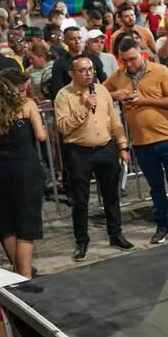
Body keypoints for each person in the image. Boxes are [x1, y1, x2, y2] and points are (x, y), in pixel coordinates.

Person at [105, 38, 168, 244]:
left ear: (142, 54)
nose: (128, 64)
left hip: (166, 138)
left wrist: (143, 100)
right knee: (155, 186)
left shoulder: (160, 71)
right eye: (124, 60)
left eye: (132, 59)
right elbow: (101, 93)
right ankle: (162, 225)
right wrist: (114, 94)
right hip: (141, 142)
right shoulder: (119, 75)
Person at [54, 54, 133, 261]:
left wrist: (123, 145)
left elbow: (114, 120)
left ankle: (116, 235)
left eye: (90, 69)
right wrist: (84, 107)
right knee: (80, 201)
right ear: (72, 73)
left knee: (111, 196)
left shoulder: (102, 90)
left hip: (106, 148)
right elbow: (63, 126)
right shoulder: (64, 95)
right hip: (78, 151)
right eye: (83, 70)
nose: (88, 73)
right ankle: (81, 242)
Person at [0, 73, 46, 278]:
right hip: (27, 168)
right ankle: (25, 276)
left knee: (7, 222)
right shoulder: (27, 105)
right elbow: (41, 136)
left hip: (2, 170)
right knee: (26, 221)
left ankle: (17, 274)